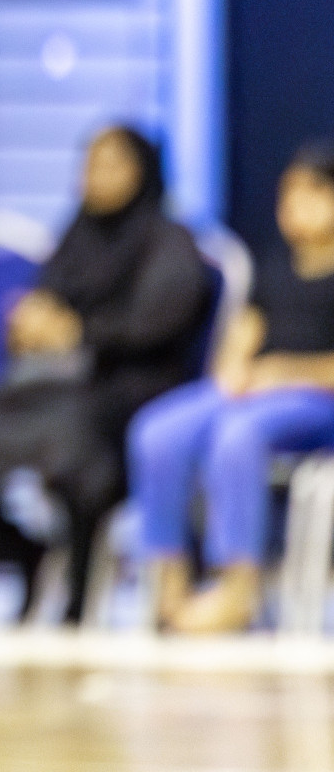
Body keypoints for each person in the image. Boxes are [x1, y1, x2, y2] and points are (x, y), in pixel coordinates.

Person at [0, 126, 212, 623]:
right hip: (53, 385)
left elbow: (158, 324)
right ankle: (18, 552)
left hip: (132, 391)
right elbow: (47, 307)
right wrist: (29, 322)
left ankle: (78, 599)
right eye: (90, 164)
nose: (96, 177)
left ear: (142, 170)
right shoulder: (76, 237)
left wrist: (80, 332)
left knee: (76, 441)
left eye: (112, 164)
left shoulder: (170, 241)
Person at [130, 142, 334, 633]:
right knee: (158, 430)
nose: (293, 208)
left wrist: (283, 372)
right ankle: (169, 579)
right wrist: (234, 371)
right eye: (287, 196)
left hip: (315, 400)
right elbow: (241, 336)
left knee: (236, 437)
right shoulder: (271, 268)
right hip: (254, 393)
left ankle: (238, 583)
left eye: (310, 195)